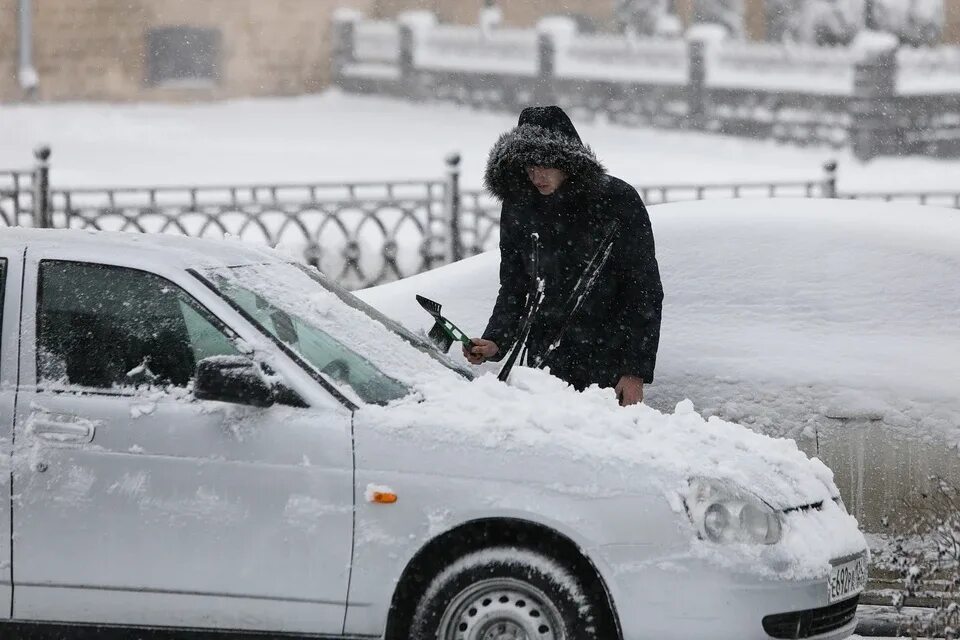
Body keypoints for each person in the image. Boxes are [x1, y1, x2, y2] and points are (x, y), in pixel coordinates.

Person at [464, 106, 663, 406]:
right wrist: (495, 340)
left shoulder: (617, 202)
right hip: (544, 368)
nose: (536, 175)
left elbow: (643, 292)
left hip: (607, 367)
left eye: (545, 164)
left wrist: (634, 372)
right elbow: (515, 285)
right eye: (529, 166)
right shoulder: (520, 207)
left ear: (566, 160)